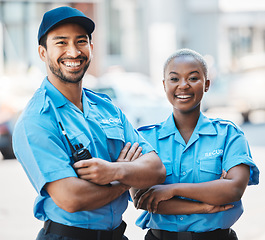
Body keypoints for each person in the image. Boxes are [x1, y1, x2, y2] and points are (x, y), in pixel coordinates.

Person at [12, 6, 166, 240]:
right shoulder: (38, 119)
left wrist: (112, 171)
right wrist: (124, 180)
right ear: (43, 52)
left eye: (80, 41)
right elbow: (72, 198)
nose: (73, 52)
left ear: (91, 47)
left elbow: (156, 169)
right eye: (61, 43)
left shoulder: (106, 107)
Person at [131, 48, 259, 240]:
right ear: (164, 85)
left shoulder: (228, 134)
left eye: (193, 78)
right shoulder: (145, 139)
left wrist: (172, 189)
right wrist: (205, 205)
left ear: (206, 84)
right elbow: (142, 199)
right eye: (174, 79)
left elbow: (233, 190)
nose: (183, 86)